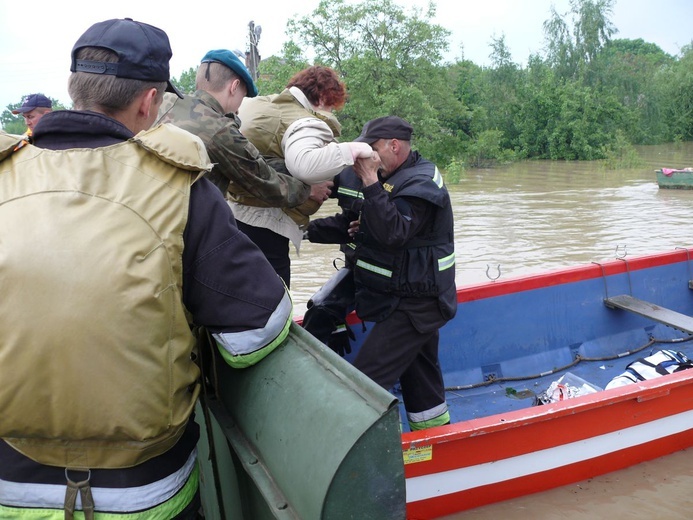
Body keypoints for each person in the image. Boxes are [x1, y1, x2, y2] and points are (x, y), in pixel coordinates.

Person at [0, 18, 292, 519]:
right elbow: (257, 333)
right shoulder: (178, 184)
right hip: (144, 493)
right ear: (149, 103)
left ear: (74, 88)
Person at [310, 116, 457, 431]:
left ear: (394, 146)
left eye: (372, 150)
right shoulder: (379, 173)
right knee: (421, 378)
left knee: (365, 385)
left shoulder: (422, 181)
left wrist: (370, 183)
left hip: (420, 301)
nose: (367, 159)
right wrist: (300, 229)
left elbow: (393, 232)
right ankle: (436, 439)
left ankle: (346, 448)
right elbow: (352, 223)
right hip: (397, 293)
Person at [231, 65, 374, 287]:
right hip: (266, 223)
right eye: (331, 105)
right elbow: (305, 167)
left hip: (234, 214)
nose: (331, 112)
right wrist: (354, 150)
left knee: (247, 290)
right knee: (276, 299)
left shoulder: (259, 104)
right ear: (323, 96)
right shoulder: (304, 120)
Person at [156, 49, 331, 216]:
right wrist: (308, 189)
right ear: (234, 87)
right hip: (182, 230)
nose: (241, 105)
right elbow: (266, 183)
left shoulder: (164, 102)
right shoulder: (220, 129)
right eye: (244, 95)